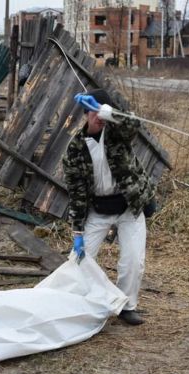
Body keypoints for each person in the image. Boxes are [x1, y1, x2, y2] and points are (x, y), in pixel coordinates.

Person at [62, 89, 155, 326]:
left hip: (128, 207)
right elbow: (76, 192)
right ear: (86, 114)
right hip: (98, 209)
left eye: (102, 111)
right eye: (94, 111)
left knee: (133, 261)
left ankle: (127, 306)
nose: (98, 117)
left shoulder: (117, 133)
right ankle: (74, 302)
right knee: (79, 259)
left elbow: (134, 125)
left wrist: (108, 111)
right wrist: (77, 233)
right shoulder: (74, 149)